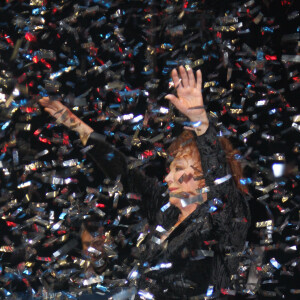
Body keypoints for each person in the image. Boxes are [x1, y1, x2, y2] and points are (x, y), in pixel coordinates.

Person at [39, 66, 250, 299]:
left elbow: (220, 181)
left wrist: (200, 120)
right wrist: (75, 124)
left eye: (178, 169)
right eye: (170, 169)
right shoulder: (167, 211)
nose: (168, 177)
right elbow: (122, 171)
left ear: (206, 176)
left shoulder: (225, 218)